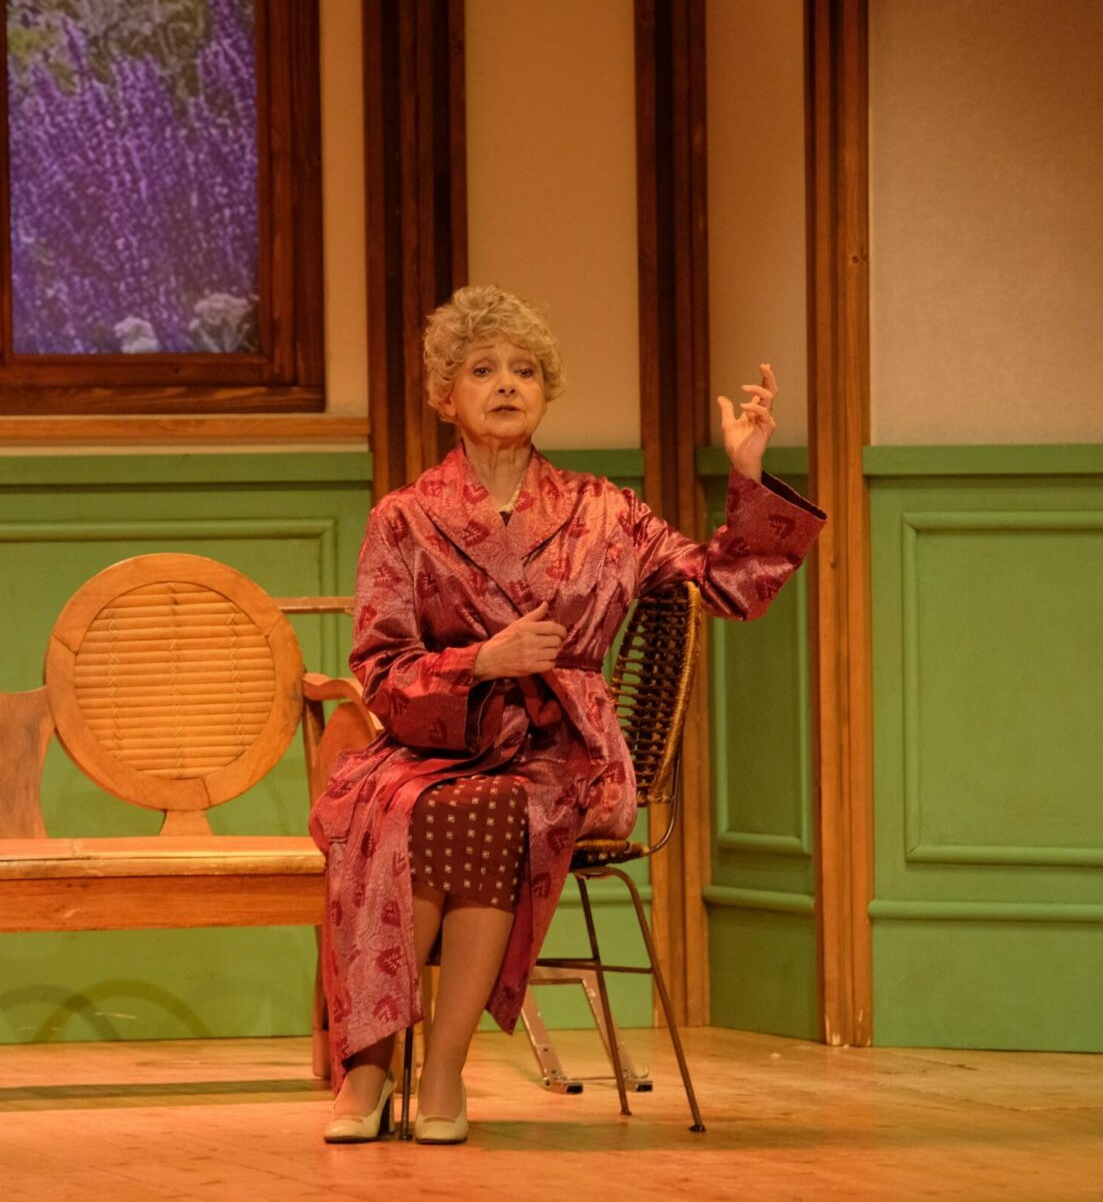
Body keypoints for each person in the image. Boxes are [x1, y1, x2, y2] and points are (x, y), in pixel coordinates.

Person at [310, 285, 826, 1144]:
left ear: (546, 392)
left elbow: (725, 585)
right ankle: (368, 1068)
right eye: (482, 370)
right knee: (392, 807)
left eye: (524, 370)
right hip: (433, 742)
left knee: (492, 806)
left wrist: (744, 474)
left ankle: (443, 1071)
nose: (506, 384)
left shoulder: (606, 512)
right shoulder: (402, 519)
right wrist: (482, 661)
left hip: (560, 751)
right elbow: (380, 668)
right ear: (445, 396)